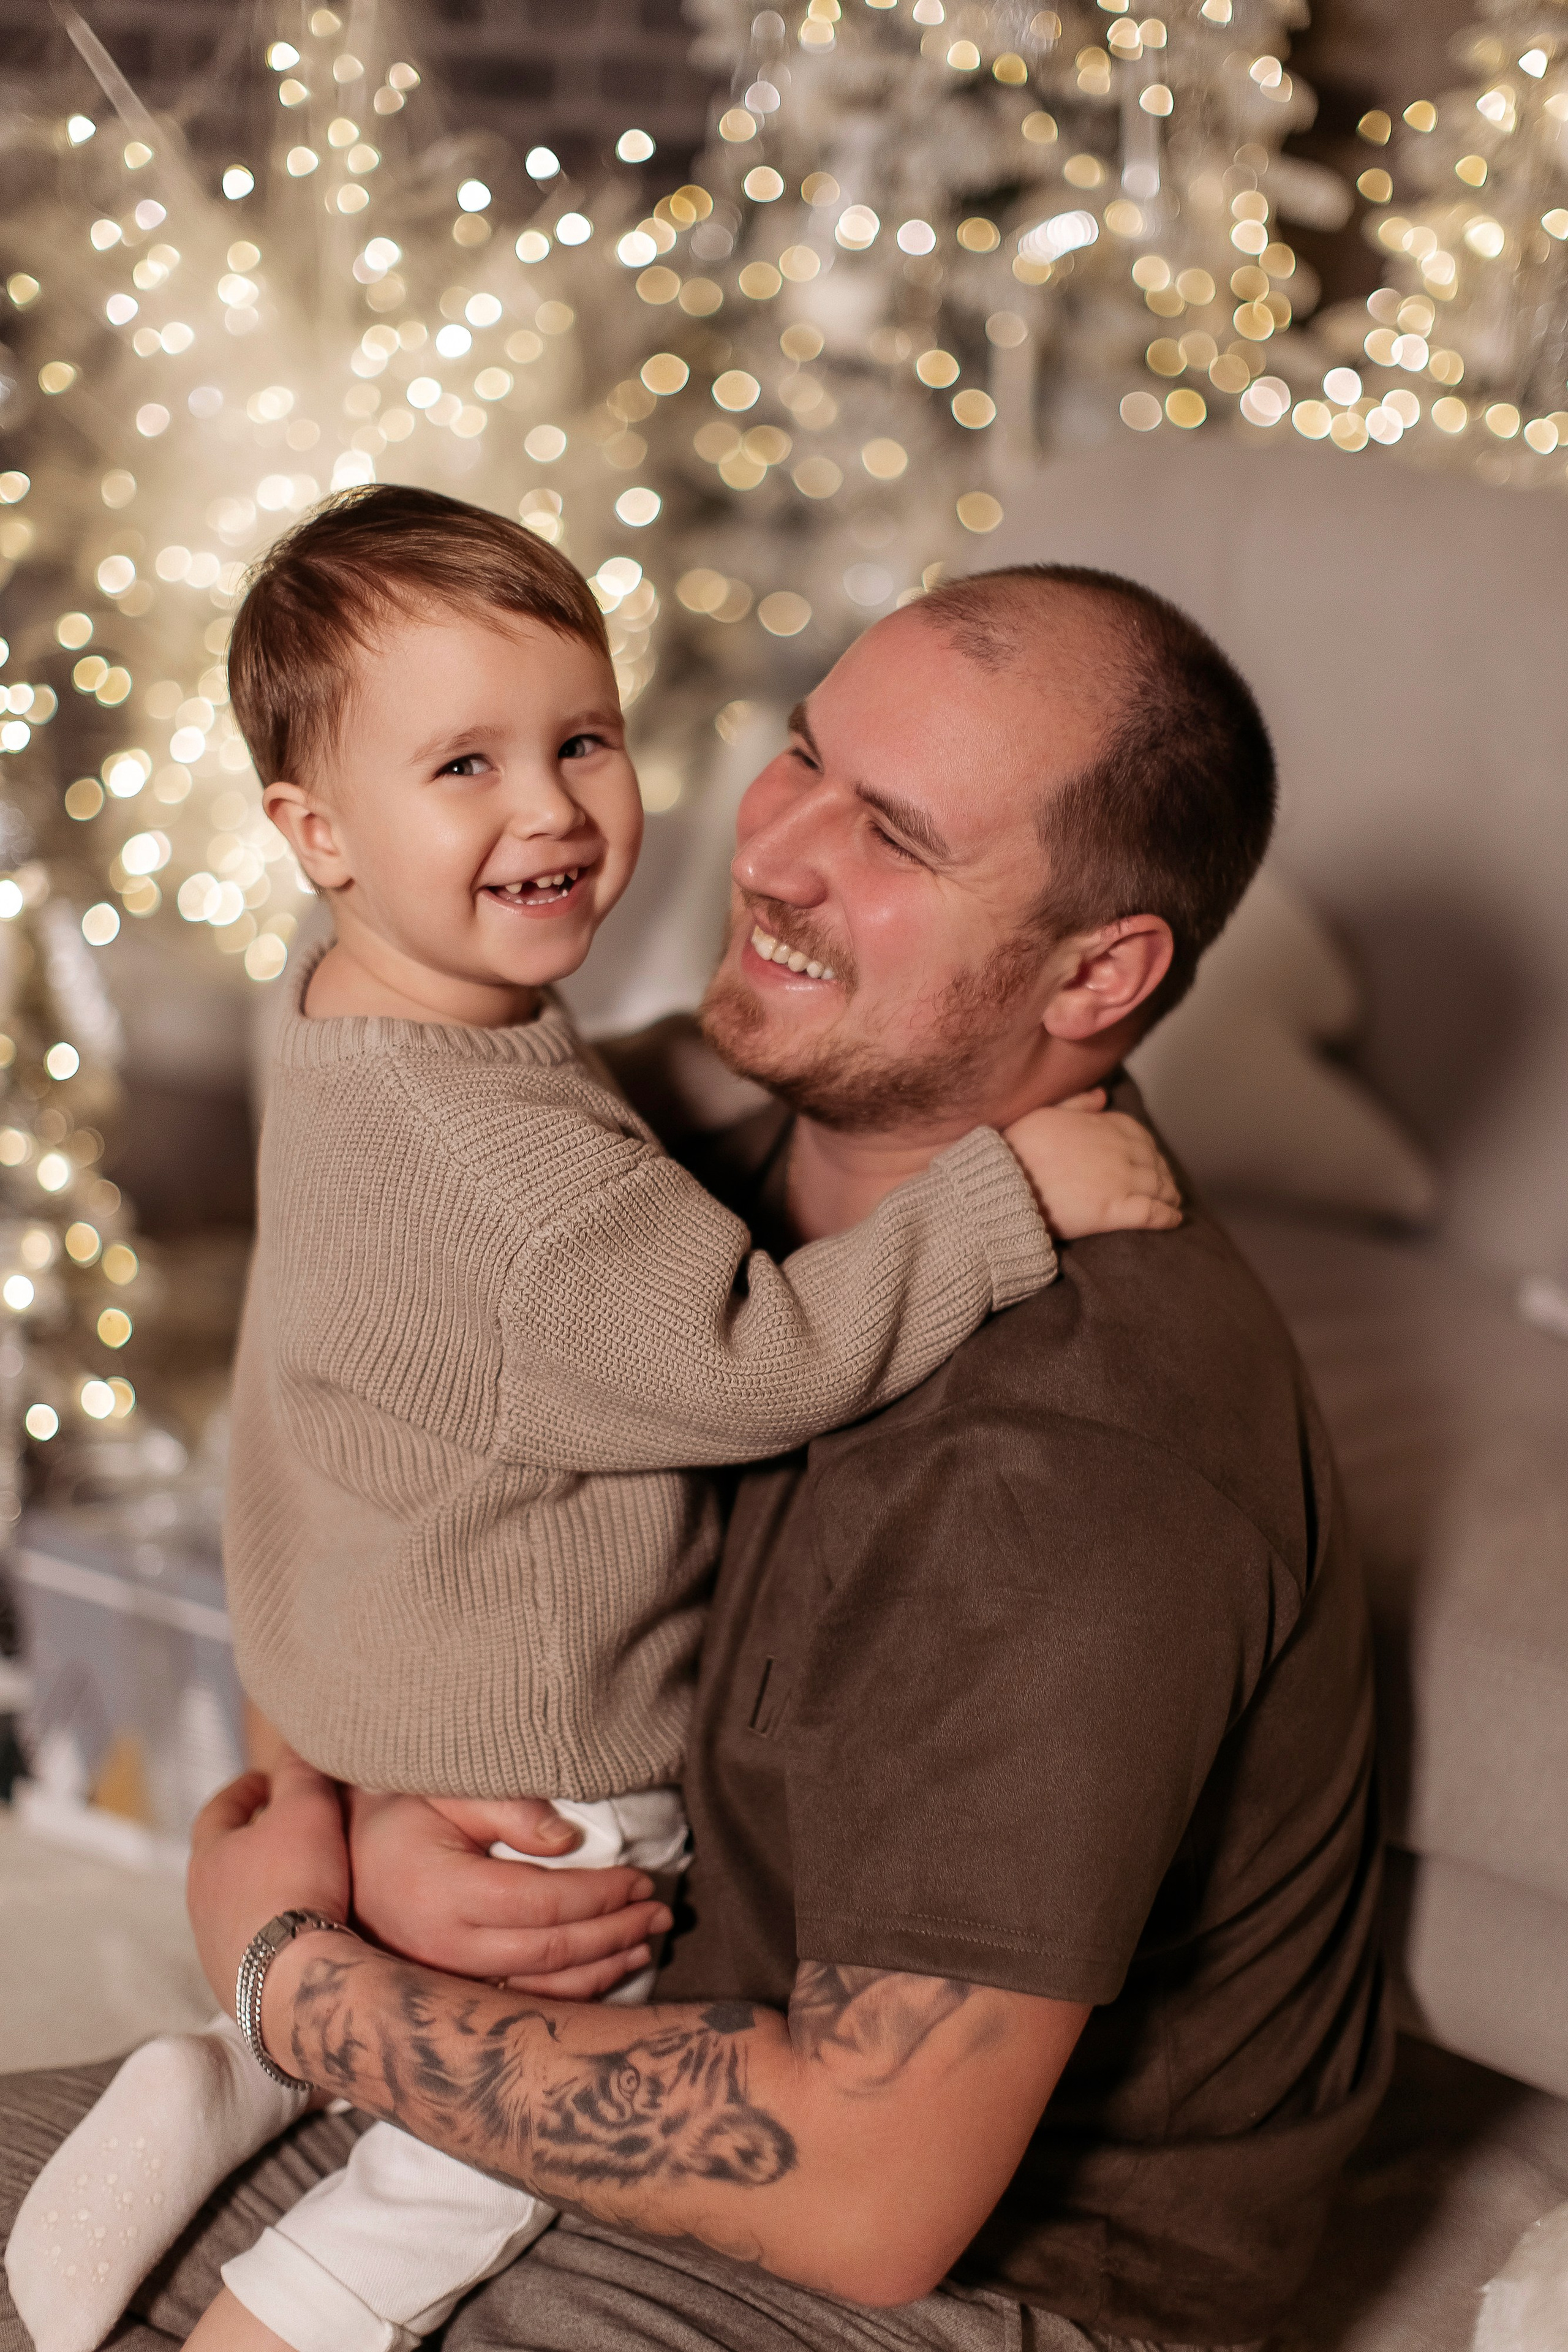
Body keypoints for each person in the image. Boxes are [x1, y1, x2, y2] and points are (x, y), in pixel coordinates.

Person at [0, 562, 1389, 2352]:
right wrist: (383, 1815)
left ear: (1103, 968)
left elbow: (866, 2195)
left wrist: (295, 1979)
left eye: (892, 837)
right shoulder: (647, 1124)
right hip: (614, 2013)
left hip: (961, 2279)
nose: (779, 852)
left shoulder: (1078, 1462)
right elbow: (350, 1424)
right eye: (801, 755)